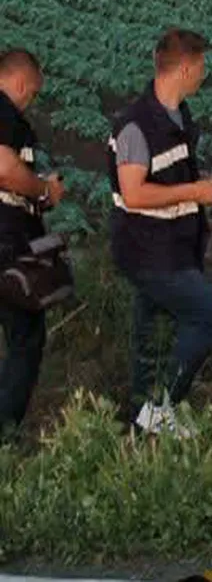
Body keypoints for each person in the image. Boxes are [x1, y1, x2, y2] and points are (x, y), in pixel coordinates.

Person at [106, 28, 212, 437]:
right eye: (200, 65)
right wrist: (195, 191)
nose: (204, 73)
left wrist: (207, 189)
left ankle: (138, 428)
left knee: (151, 340)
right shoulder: (135, 126)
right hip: (149, 252)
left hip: (174, 246)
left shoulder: (178, 117)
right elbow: (135, 192)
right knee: (211, 317)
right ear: (184, 68)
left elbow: (172, 180)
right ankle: (160, 408)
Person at [0, 48, 65, 440]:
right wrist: (44, 190)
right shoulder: (4, 112)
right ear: (22, 83)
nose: (31, 101)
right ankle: (5, 434)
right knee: (26, 334)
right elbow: (6, 170)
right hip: (6, 242)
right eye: (33, 93)